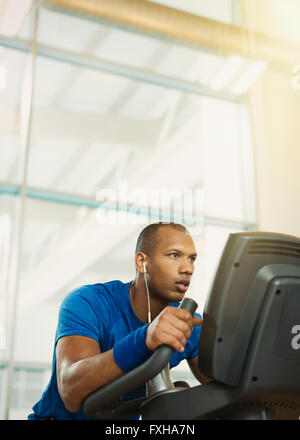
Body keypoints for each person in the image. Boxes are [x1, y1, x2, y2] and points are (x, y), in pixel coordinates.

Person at [28, 222, 211, 420]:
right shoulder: (88, 302)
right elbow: (71, 392)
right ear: (142, 262)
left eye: (191, 258)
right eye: (174, 255)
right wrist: (144, 339)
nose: (188, 268)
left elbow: (227, 392)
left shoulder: (186, 324)